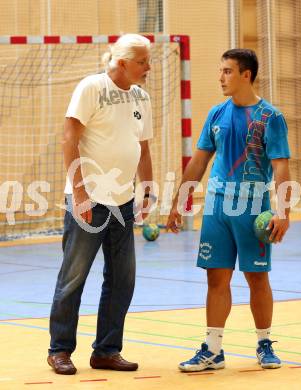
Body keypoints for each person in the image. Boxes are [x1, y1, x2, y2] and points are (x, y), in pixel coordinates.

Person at [167, 48, 291, 371]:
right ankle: (213, 349)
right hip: (217, 208)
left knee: (257, 277)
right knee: (216, 278)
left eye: (227, 71)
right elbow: (198, 161)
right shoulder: (216, 114)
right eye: (221, 71)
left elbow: (281, 168)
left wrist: (284, 212)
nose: (221, 77)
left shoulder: (271, 118)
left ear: (246, 75)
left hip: (252, 208)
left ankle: (264, 343)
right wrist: (180, 200)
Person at [47, 33, 154, 375]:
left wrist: (147, 189)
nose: (149, 67)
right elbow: (69, 138)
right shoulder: (91, 87)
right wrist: (79, 193)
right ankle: (59, 350)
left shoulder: (141, 97)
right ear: (122, 63)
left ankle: (107, 350)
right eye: (142, 61)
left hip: (124, 202)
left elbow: (144, 147)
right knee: (73, 277)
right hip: (90, 201)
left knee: (123, 279)